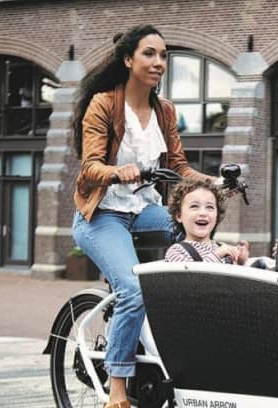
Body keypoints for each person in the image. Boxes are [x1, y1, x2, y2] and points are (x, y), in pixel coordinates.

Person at [70, 24, 211, 408]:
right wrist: (118, 171)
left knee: (195, 235)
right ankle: (117, 389)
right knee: (132, 290)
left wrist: (212, 182)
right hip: (102, 215)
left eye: (164, 55)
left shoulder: (164, 111)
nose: (159, 62)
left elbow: (180, 166)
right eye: (149, 53)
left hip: (145, 210)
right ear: (128, 59)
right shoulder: (104, 104)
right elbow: (90, 167)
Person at [164, 178, 249, 264]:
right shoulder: (176, 251)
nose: (203, 213)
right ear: (179, 216)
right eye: (194, 206)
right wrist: (217, 255)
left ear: (217, 215)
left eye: (209, 207)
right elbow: (191, 276)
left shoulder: (222, 248)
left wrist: (240, 261)